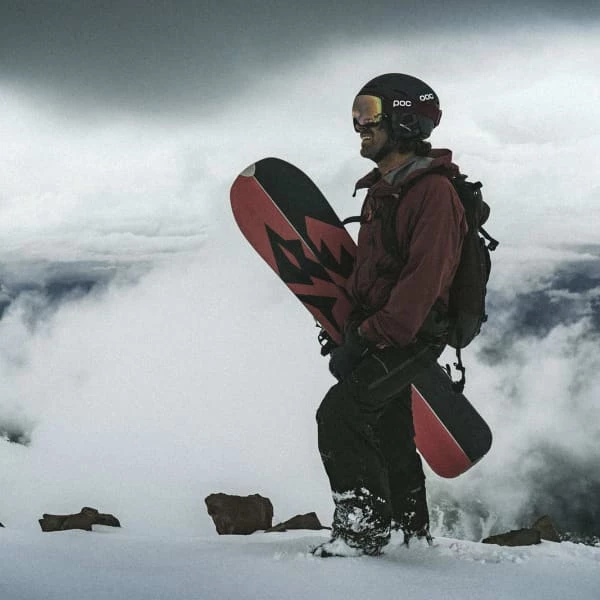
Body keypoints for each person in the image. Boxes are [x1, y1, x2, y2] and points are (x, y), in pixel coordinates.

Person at [313, 74, 467, 557]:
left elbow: (423, 283)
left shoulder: (432, 193)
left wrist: (365, 338)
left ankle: (362, 534)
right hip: (384, 330)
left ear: (405, 121)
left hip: (412, 333)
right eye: (357, 113)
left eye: (369, 113)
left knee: (341, 414)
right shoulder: (386, 190)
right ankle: (408, 531)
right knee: (388, 427)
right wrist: (349, 329)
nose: (360, 125)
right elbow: (374, 274)